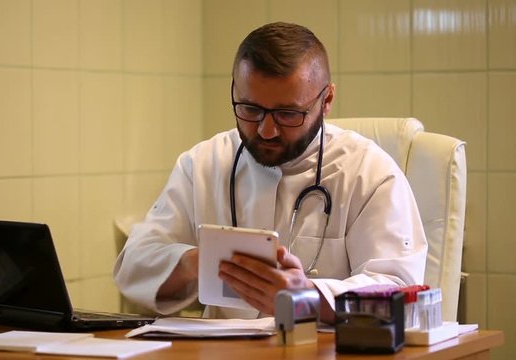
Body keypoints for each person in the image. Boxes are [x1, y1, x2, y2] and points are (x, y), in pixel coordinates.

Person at [113, 22, 427, 323]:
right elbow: (133, 266)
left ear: (327, 100)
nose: (265, 130)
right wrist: (200, 261)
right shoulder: (204, 162)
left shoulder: (369, 173)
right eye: (250, 109)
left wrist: (310, 296)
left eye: (287, 114)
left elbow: (400, 291)